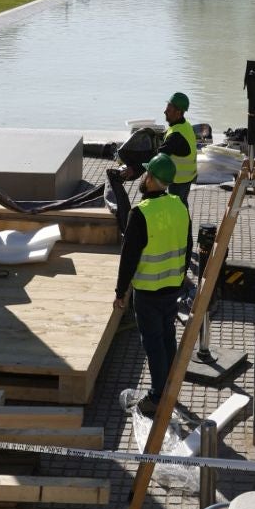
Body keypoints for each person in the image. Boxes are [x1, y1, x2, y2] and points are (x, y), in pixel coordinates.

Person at [113, 153, 192, 415]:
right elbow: (188, 246)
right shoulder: (179, 206)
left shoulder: (140, 213)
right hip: (173, 286)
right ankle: (170, 388)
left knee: (153, 343)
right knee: (168, 336)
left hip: (148, 291)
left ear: (152, 179)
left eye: (146, 174)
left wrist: (120, 292)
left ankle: (158, 396)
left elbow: (129, 257)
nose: (143, 177)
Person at [159, 90, 198, 206]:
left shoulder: (176, 134)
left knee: (176, 208)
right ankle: (186, 224)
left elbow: (160, 154)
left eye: (169, 110)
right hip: (188, 177)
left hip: (178, 180)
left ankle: (183, 224)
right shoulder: (185, 125)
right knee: (182, 205)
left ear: (178, 112)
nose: (165, 111)